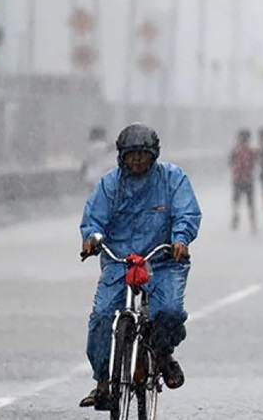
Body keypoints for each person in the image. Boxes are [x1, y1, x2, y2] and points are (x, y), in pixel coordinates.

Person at [77, 123, 201, 409]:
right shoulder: (110, 184)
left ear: (153, 155)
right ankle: (103, 383)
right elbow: (94, 218)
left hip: (163, 261)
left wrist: (180, 239)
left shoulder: (172, 179)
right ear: (121, 156)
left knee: (168, 311)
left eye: (142, 155)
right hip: (120, 261)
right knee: (102, 316)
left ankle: (161, 354)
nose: (137, 160)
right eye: (131, 155)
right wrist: (90, 239)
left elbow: (187, 212)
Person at [229, 129, 259, 233]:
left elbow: (230, 163)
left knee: (236, 201)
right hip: (248, 179)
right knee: (250, 203)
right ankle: (253, 223)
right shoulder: (252, 151)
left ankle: (235, 217)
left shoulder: (235, 151)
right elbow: (255, 163)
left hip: (237, 178)